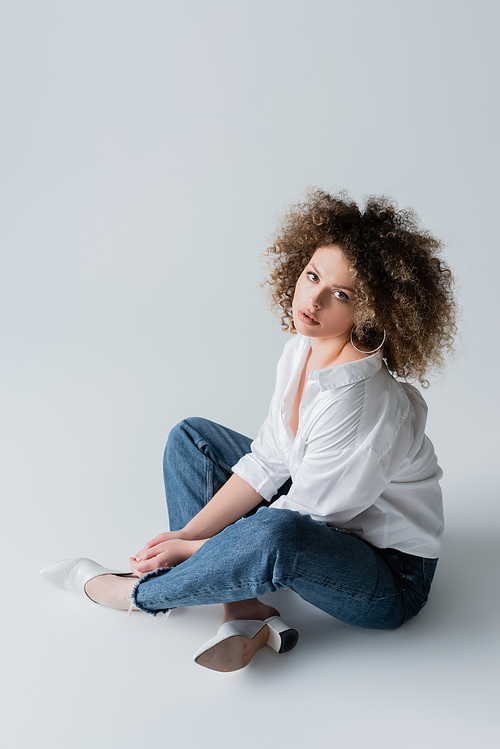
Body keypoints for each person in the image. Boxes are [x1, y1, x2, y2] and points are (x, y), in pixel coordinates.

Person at [40, 188, 457, 672]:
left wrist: (193, 552)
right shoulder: (302, 350)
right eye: (312, 276)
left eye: (340, 295)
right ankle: (244, 611)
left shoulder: (366, 401)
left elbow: (304, 519)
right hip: (314, 517)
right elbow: (268, 461)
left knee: (278, 532)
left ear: (371, 312)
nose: (313, 299)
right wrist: (186, 533)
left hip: (387, 575)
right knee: (191, 439)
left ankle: (135, 595)